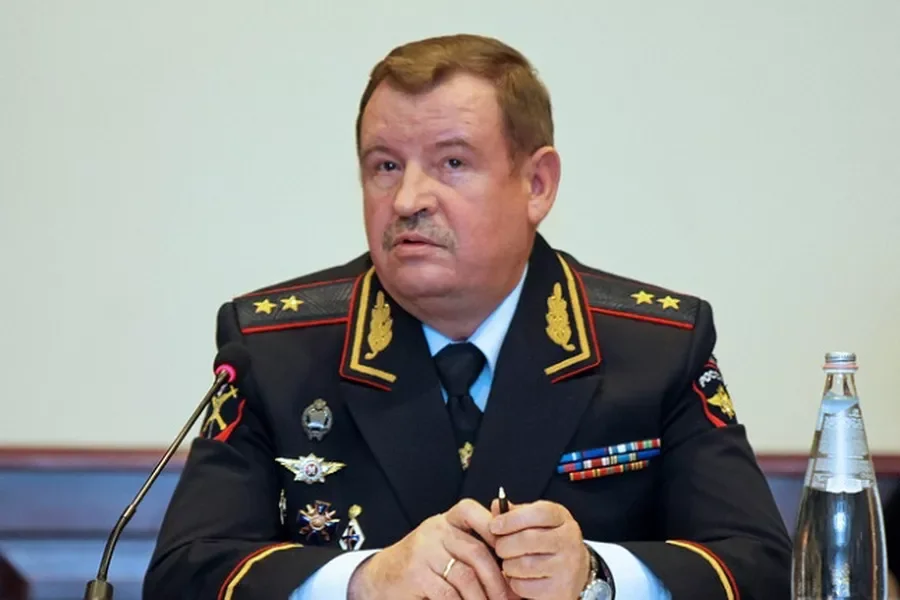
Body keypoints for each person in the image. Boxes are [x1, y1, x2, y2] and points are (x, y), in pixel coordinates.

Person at [143, 33, 791, 600]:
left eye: (452, 163)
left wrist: (597, 575)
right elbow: (185, 574)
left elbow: (760, 568)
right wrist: (363, 581)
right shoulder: (275, 348)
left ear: (537, 184)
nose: (407, 199)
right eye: (385, 166)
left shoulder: (654, 348)